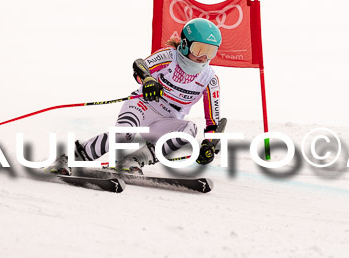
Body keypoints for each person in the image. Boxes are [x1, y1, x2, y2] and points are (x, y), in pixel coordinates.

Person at [46, 17, 223, 175]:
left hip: (167, 120)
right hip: (142, 106)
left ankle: (133, 161)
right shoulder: (170, 57)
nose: (204, 57)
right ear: (184, 44)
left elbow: (213, 122)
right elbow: (140, 65)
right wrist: (147, 80)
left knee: (189, 129)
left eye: (211, 51)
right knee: (123, 136)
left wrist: (209, 144)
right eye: (199, 49)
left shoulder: (210, 79)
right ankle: (68, 159)